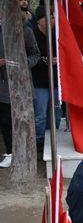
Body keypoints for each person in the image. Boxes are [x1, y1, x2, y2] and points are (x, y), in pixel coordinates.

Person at [0, 23, 39, 168]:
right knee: (5, 121)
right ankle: (10, 153)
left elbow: (35, 53)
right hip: (2, 86)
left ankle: (26, 153)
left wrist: (23, 63)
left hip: (22, 83)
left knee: (24, 118)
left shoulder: (25, 30)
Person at [32, 8, 62, 151]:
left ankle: (54, 138)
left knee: (56, 111)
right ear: (39, 20)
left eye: (52, 18)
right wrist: (45, 61)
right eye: (47, 18)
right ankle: (39, 142)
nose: (51, 21)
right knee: (41, 114)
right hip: (39, 81)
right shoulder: (32, 34)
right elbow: (31, 57)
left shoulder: (57, 35)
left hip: (56, 80)